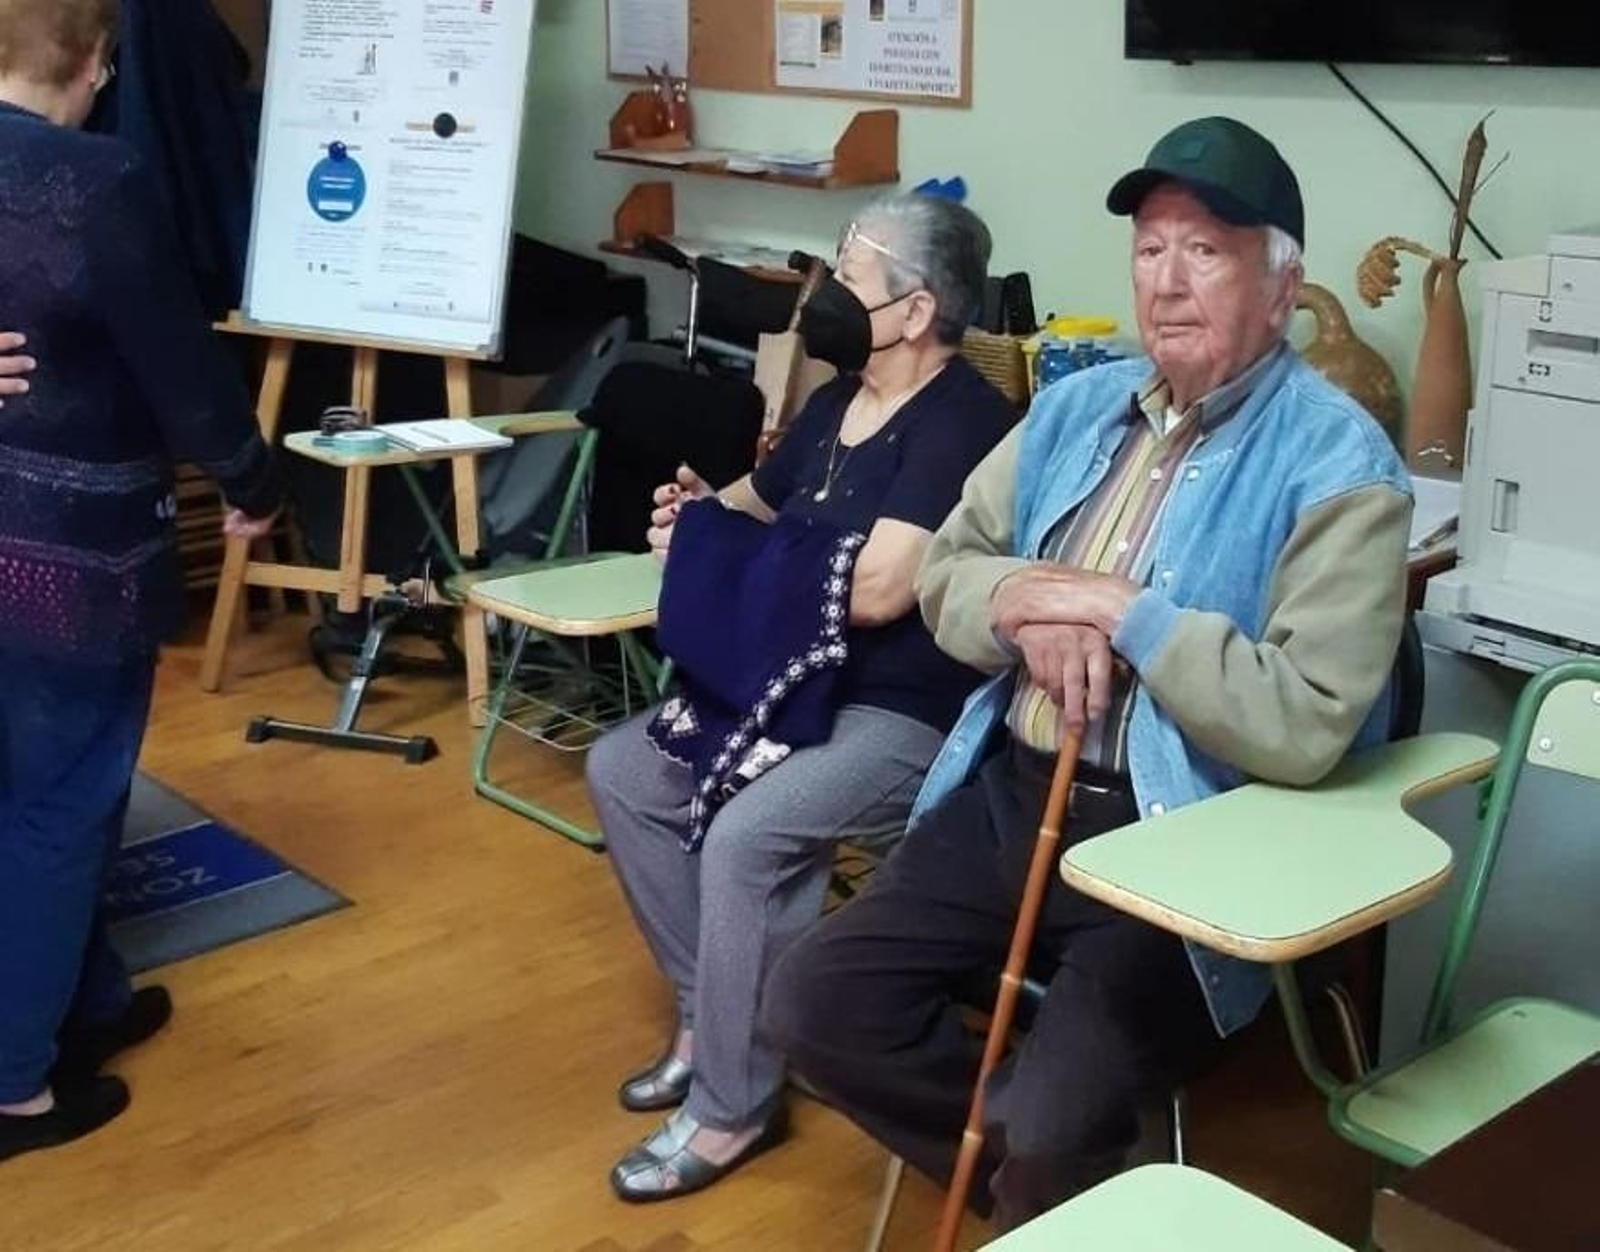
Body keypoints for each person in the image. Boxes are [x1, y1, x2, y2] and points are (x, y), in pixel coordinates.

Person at [760, 116, 1414, 1232]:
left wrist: (1124, 612)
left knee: (1051, 1130)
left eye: (1204, 251)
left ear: (1281, 284)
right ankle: (1038, 1194)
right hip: (1012, 793)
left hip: (1185, 841)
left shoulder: (1341, 464)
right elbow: (946, 576)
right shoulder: (1071, 407)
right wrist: (1024, 600)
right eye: (1149, 249)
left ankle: (1039, 1174)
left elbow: (1305, 721)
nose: (1165, 283)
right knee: (813, 1003)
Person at [586, 192, 1017, 1201]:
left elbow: (879, 589)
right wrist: (692, 518)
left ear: (915, 310)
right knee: (622, 770)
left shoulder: (965, 424)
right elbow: (751, 507)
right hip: (789, 684)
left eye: (850, 274)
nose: (823, 291)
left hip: (904, 712)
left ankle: (733, 1106)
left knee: (748, 834)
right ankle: (709, 1015)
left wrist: (749, 553)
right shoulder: (834, 404)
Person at [0, 0, 281, 1163]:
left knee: (41, 783)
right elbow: (181, 363)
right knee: (65, 792)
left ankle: (89, 997)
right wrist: (253, 481)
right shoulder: (96, 177)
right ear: (98, 61)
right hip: (72, 547)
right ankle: (17, 1085)